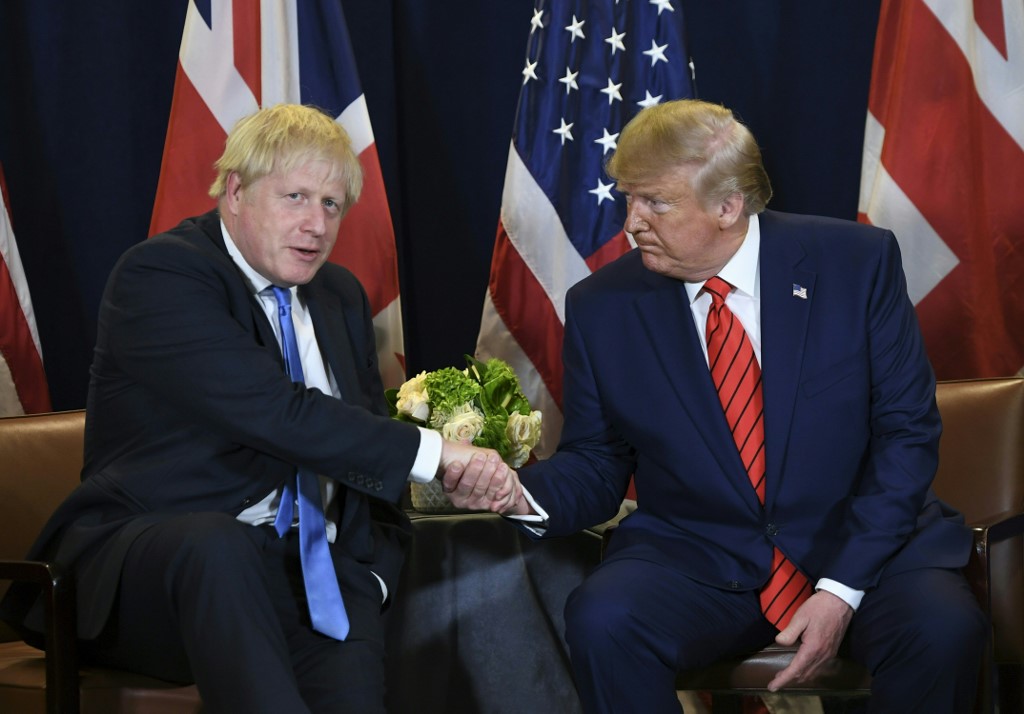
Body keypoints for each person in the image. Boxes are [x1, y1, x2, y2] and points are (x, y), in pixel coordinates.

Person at [444, 99, 987, 713]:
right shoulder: (603, 305)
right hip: (700, 556)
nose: (632, 222)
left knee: (943, 632)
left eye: (656, 202)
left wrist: (839, 591)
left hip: (864, 548)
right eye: (628, 198)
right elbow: (597, 462)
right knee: (605, 619)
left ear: (729, 206)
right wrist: (518, 494)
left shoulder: (855, 264)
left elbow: (906, 436)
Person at [0, 103, 517, 714]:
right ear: (236, 193)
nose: (317, 225)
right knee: (218, 546)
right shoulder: (163, 274)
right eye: (295, 196)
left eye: (331, 205)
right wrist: (437, 454)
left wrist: (373, 563)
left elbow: (357, 432)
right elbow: (278, 413)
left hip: (312, 575)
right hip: (152, 569)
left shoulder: (338, 294)